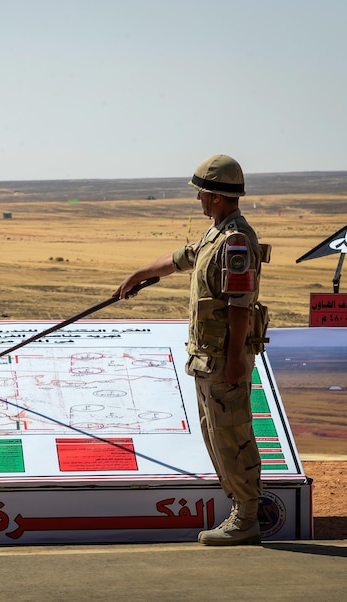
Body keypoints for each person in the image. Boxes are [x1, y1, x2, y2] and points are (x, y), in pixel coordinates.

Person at [114, 154, 270, 546]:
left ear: (217, 196)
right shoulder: (215, 235)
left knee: (232, 434)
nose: (198, 199)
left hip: (223, 359)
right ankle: (240, 510)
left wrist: (235, 361)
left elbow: (239, 306)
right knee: (217, 434)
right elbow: (181, 258)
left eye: (202, 193)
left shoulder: (234, 240)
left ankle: (246, 516)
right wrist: (138, 275)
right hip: (208, 359)